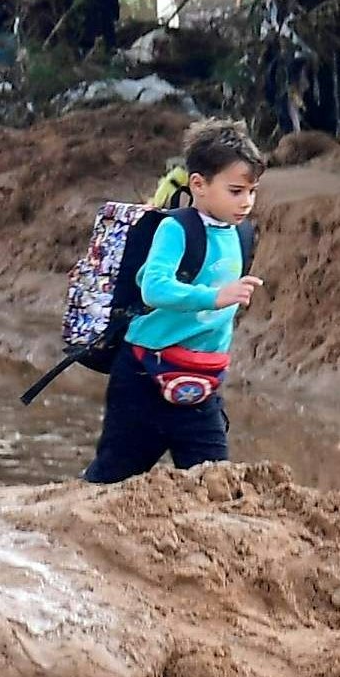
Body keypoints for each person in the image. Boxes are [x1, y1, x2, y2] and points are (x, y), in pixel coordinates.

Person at [83, 125, 269, 485]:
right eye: (235, 191)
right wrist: (214, 297)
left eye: (252, 192)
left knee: (215, 482)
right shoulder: (176, 228)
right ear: (198, 184)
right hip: (143, 378)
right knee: (111, 478)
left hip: (202, 382)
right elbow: (154, 288)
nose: (246, 201)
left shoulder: (242, 234)